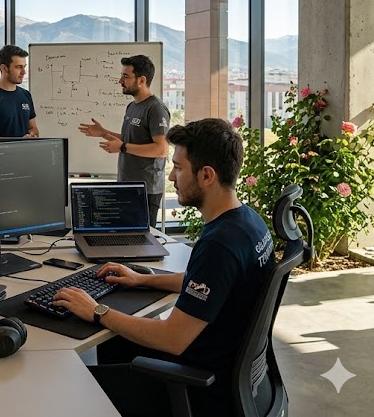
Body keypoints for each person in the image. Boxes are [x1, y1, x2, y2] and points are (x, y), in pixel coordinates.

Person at [53, 118, 275, 417]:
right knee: (115, 343)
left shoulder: (219, 245)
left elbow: (172, 338)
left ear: (206, 175)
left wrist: (97, 310)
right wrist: (142, 280)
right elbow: (209, 283)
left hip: (201, 388)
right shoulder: (248, 222)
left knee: (68, 386)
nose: (171, 176)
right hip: (230, 372)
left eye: (179, 168)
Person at [78, 54, 170, 226]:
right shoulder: (132, 106)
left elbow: (162, 149)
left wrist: (122, 148)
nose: (120, 81)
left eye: (126, 76)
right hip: (126, 186)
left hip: (145, 191)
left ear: (141, 80)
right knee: (125, 235)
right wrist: (104, 133)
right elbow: (129, 140)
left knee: (142, 239)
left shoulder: (156, 109)